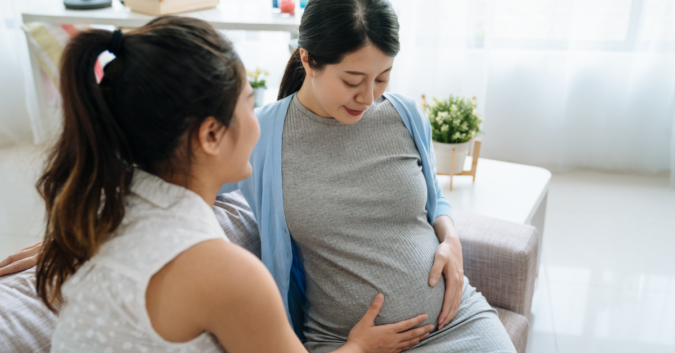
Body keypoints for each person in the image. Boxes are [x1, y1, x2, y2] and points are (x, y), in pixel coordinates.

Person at [0, 16, 433, 353]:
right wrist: (357, 346)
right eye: (248, 102)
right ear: (210, 135)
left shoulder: (108, 218)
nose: (259, 117)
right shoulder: (227, 275)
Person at [218, 0, 517, 352]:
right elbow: (193, 181)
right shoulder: (262, 133)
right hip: (345, 342)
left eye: (382, 78)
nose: (369, 97)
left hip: (457, 322)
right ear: (308, 59)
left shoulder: (405, 114)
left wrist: (451, 239)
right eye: (352, 81)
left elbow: (435, 197)